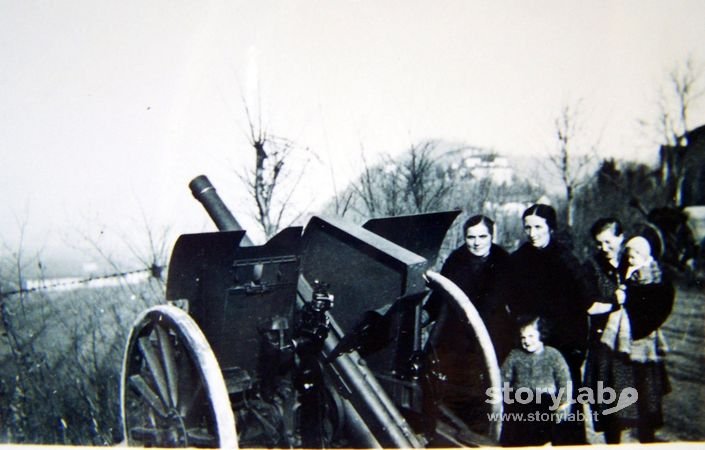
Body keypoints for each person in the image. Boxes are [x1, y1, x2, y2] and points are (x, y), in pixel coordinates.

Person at [507, 204, 591, 445]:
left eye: (538, 227)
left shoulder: (567, 259)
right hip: (532, 342)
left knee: (564, 406)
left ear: (551, 228)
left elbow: (583, 301)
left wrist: (575, 347)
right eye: (528, 227)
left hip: (564, 343)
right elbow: (511, 301)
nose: (532, 233)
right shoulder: (518, 260)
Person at [423, 215, 511, 429]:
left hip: (492, 336)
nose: (477, 242)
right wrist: (423, 317)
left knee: (485, 394)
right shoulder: (456, 260)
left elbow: (513, 302)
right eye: (471, 237)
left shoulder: (504, 261)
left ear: (492, 236)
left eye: (483, 236)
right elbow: (440, 297)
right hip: (457, 339)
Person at [587, 235, 674, 443]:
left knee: (645, 403)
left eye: (610, 242)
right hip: (617, 343)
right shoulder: (616, 268)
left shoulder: (655, 275)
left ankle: (646, 437)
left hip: (640, 343)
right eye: (630, 253)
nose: (632, 257)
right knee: (617, 406)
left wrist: (630, 299)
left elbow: (657, 302)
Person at [500, 315, 572, 447]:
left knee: (544, 440)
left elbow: (564, 380)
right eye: (523, 337)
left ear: (542, 334)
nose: (526, 341)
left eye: (531, 336)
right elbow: (502, 379)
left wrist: (564, 403)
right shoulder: (515, 355)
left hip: (546, 405)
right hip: (520, 405)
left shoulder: (553, 355)